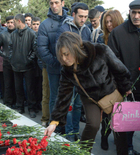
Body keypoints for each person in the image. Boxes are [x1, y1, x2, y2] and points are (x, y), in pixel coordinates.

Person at [44, 31, 132, 154]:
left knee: (119, 126)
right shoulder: (67, 69)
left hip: (111, 92)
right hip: (89, 98)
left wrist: (126, 86)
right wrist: (54, 122)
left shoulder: (100, 50)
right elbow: (63, 94)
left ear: (75, 48)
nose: (64, 59)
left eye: (66, 54)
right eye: (61, 55)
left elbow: (119, 69)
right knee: (93, 124)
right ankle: (82, 152)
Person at [108, 0, 140, 154]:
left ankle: (129, 147)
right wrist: (125, 85)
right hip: (123, 86)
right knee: (122, 120)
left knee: (134, 119)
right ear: (129, 12)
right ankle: (124, 149)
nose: (136, 16)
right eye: (134, 12)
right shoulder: (117, 33)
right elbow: (113, 62)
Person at [56, 2, 91, 141]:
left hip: (82, 75)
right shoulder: (64, 29)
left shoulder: (87, 30)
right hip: (69, 74)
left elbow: (89, 51)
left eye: (86, 17)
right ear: (73, 15)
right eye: (81, 16)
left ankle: (75, 131)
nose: (83, 19)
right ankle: (69, 133)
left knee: (77, 105)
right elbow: (60, 52)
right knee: (69, 104)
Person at [37, 0, 68, 133]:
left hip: (70, 69)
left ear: (63, 2)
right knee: (54, 98)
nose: (54, 6)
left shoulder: (70, 20)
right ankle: (56, 127)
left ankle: (68, 127)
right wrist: (57, 62)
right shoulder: (44, 24)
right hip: (54, 68)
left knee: (69, 98)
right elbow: (42, 49)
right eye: (51, 3)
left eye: (56, 2)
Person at [97, 9, 124, 151]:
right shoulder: (101, 38)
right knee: (108, 112)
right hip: (107, 82)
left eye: (111, 21)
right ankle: (104, 136)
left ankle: (121, 140)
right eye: (106, 22)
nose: (108, 24)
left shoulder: (124, 37)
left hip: (122, 81)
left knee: (121, 112)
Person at [9, 14, 37, 118]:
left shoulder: (31, 33)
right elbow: (10, 47)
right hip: (16, 65)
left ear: (19, 21)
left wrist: (29, 59)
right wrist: (12, 58)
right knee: (18, 88)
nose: (13, 24)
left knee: (30, 88)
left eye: (14, 21)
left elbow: (35, 49)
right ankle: (20, 106)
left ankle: (31, 108)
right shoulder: (13, 34)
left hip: (28, 66)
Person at [0, 16, 17, 108]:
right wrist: (3, 55)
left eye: (12, 22)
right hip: (7, 62)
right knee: (7, 84)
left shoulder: (18, 33)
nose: (10, 24)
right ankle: (8, 102)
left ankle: (17, 102)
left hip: (17, 63)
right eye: (8, 22)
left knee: (17, 84)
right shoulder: (3, 34)